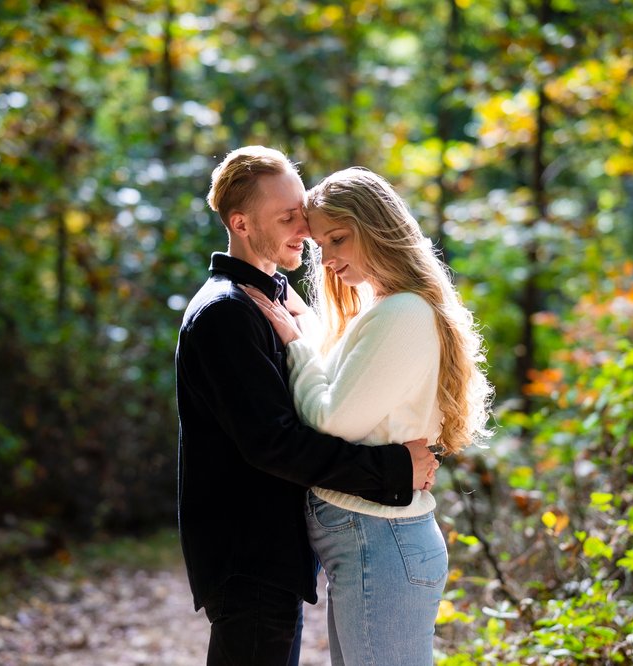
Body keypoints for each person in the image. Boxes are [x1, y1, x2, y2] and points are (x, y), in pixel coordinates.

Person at [175, 147, 440, 666]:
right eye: (287, 217)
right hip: (248, 554)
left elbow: (334, 386)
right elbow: (273, 442)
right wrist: (392, 470)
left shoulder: (272, 301)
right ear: (241, 223)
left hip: (275, 551)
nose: (305, 228)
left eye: (303, 212)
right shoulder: (226, 312)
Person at [244, 167, 493, 665]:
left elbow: (332, 419)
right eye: (320, 246)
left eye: (339, 238)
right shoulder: (382, 309)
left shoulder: (402, 313)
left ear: (378, 226)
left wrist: (294, 343)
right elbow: (341, 381)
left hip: (380, 539)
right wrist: (306, 322)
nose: (329, 258)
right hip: (374, 540)